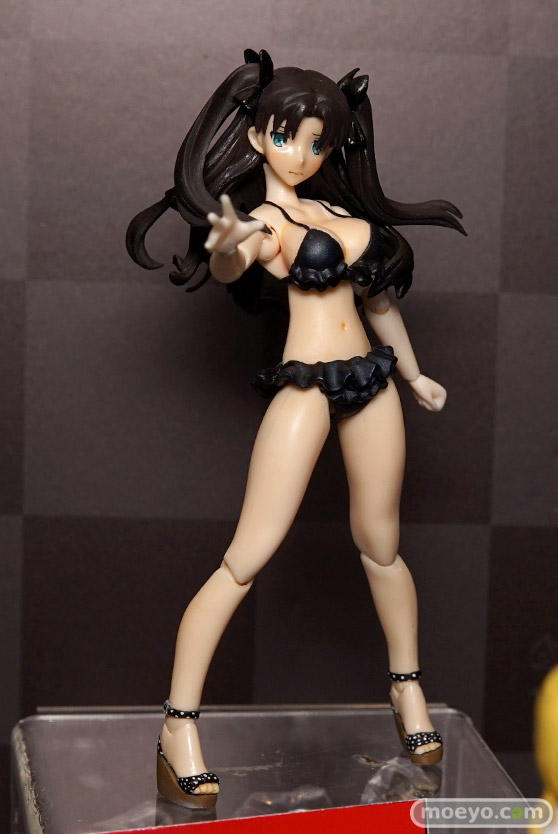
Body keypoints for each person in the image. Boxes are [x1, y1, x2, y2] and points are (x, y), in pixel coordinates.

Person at [126, 49, 465, 809]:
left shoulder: (341, 218)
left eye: (319, 142)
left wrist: (413, 374)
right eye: (287, 137)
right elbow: (238, 259)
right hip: (307, 385)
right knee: (246, 557)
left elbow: (379, 303)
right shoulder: (266, 223)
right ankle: (178, 725)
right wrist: (224, 247)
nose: (303, 154)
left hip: (371, 380)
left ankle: (407, 688)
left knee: (381, 545)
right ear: (256, 138)